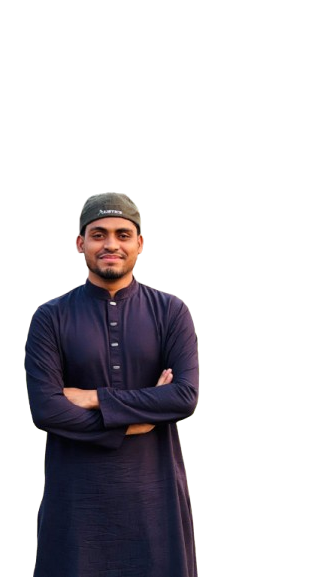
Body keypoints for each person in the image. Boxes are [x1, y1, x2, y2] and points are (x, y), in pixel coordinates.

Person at [25, 191, 199, 576]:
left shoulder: (172, 311)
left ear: (140, 243)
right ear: (80, 243)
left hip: (155, 500)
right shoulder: (50, 317)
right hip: (76, 503)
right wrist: (137, 421)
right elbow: (47, 409)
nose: (111, 244)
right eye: (98, 234)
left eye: (123, 234)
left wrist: (93, 398)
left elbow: (184, 396)